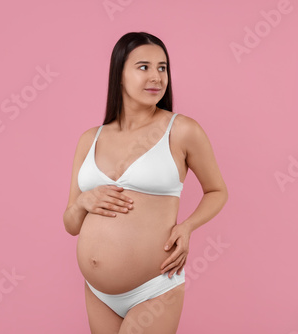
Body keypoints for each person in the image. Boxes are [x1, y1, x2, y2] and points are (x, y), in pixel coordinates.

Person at [63, 31, 228, 333]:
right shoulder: (90, 139)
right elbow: (71, 224)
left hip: (154, 287)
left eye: (162, 67)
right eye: (144, 67)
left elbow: (217, 191)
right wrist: (84, 202)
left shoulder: (182, 130)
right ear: (120, 75)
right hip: (98, 292)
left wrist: (187, 227)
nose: (156, 77)